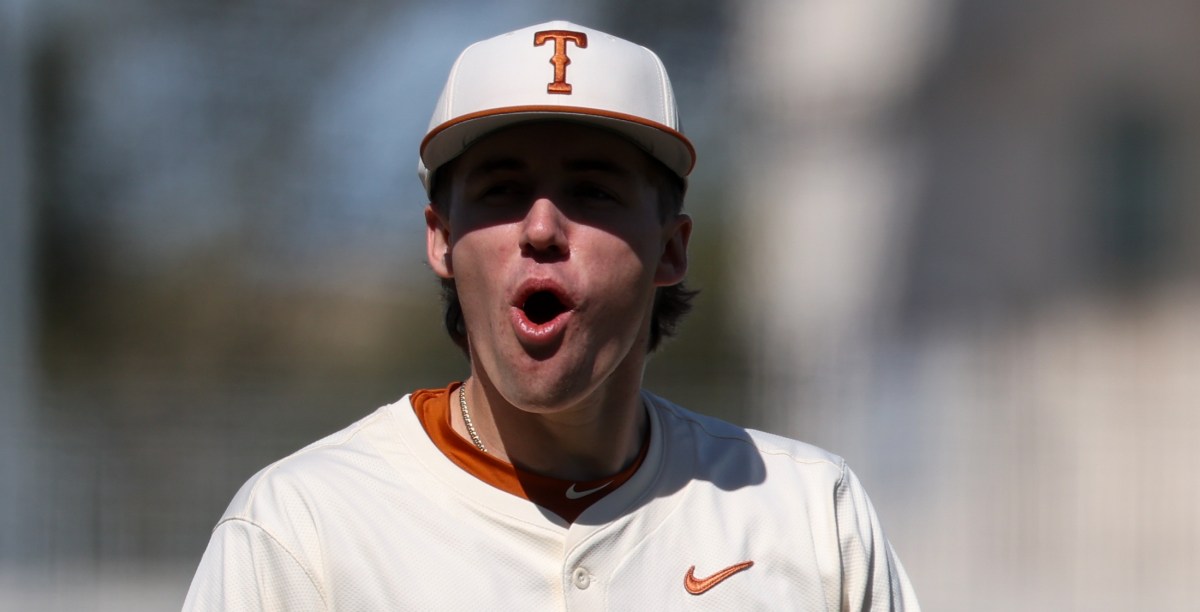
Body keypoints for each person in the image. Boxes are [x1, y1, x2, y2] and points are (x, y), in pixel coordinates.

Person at [183, 20, 919, 611]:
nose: (540, 228)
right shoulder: (304, 529)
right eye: (502, 189)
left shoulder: (811, 518)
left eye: (591, 192)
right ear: (440, 240)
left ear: (670, 249)